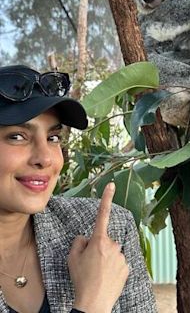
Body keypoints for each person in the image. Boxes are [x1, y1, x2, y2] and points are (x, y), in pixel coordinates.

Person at [0, 65, 157, 313]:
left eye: (53, 138)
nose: (46, 158)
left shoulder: (104, 233)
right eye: (17, 136)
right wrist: (91, 305)